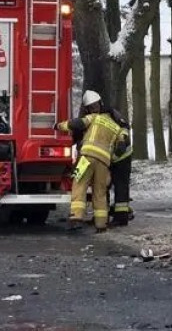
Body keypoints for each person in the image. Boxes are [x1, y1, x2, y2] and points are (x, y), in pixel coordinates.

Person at [57, 90, 124, 233]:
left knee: (79, 183)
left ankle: (76, 218)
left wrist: (58, 126)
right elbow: (122, 144)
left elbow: (76, 124)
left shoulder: (93, 118)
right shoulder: (116, 127)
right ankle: (101, 225)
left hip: (86, 157)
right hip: (104, 162)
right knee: (100, 191)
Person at [69, 99, 134, 227]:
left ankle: (121, 217)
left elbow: (124, 131)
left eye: (95, 106)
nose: (94, 109)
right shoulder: (89, 119)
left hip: (120, 157)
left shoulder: (109, 116)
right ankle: (100, 220)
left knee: (119, 186)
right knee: (101, 188)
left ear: (100, 104)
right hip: (103, 158)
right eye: (91, 107)